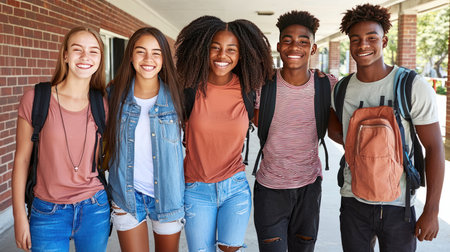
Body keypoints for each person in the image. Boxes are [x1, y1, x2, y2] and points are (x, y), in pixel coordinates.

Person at [329, 4, 445, 251]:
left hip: (398, 206)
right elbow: (335, 130)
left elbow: (434, 147)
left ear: (385, 41)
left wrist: (431, 210)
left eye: (372, 38)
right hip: (353, 201)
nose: (363, 45)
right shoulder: (341, 89)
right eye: (356, 39)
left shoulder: (411, 85)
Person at [175, 16, 273, 252]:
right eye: (215, 48)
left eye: (232, 49)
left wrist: (316, 76)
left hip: (235, 188)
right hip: (196, 189)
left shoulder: (249, 88)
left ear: (241, 55)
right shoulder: (188, 88)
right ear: (203, 50)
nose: (222, 56)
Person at [12, 26, 110, 252]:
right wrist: (19, 215)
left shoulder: (102, 103)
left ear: (100, 59)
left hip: (94, 207)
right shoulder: (36, 98)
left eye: (94, 51)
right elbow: (22, 161)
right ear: (65, 55)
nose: (86, 57)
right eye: (78, 50)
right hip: (47, 212)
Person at [252, 10, 338, 252]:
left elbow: (339, 129)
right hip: (269, 190)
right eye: (288, 40)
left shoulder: (327, 85)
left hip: (309, 188)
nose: (294, 46)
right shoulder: (263, 85)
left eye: (303, 41)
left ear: (312, 49)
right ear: (279, 46)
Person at [104, 27, 185, 252]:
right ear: (130, 56)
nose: (148, 59)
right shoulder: (114, 96)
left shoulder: (178, 96)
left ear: (164, 59)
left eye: (156, 53)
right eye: (141, 51)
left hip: (168, 195)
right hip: (126, 195)